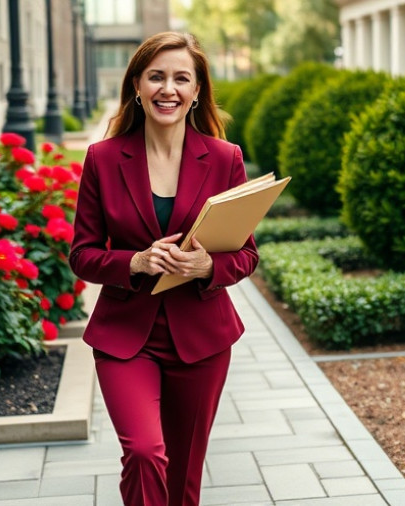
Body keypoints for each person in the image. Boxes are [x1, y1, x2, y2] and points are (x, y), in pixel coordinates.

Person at [69, 31, 258, 506]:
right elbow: (82, 254)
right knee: (145, 452)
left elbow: (247, 254)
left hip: (201, 339)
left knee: (183, 479)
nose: (167, 88)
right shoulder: (103, 158)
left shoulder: (224, 158)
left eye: (180, 78)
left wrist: (204, 266)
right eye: (156, 76)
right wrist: (134, 260)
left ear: (197, 91)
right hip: (125, 336)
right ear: (136, 84)